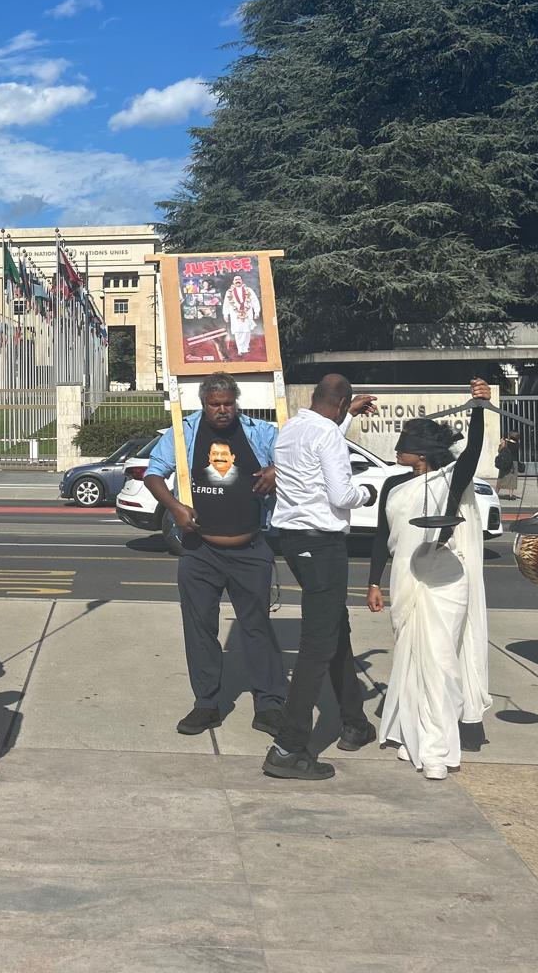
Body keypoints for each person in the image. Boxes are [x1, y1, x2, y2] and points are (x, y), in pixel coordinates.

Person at [143, 372, 288, 740]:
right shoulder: (184, 433)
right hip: (200, 551)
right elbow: (153, 474)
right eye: (215, 404)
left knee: (257, 628)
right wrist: (175, 507)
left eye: (228, 403)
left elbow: (300, 459)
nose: (222, 410)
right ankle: (206, 704)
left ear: (236, 402)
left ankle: (269, 706)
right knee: (200, 630)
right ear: (203, 404)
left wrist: (278, 469)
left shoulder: (261, 432)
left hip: (250, 549)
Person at [367, 380, 494, 780]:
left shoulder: (451, 480)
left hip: (444, 580)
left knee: (439, 662)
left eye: (403, 446)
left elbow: (472, 452)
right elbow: (380, 538)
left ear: (421, 454)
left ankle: (437, 749)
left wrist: (478, 408)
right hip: (406, 578)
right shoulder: (393, 484)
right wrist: (373, 582)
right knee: (410, 661)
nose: (396, 451)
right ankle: (414, 733)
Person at [263, 373, 380, 781]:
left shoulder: (292, 429)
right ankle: (288, 748)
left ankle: (354, 722)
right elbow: (342, 495)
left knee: (335, 629)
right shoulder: (327, 434)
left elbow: (320, 445)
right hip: (323, 544)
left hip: (293, 541)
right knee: (318, 644)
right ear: (343, 402)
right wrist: (368, 494)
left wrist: (347, 417)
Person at [221, 274, 260, 357]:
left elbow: (254, 301)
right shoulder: (229, 292)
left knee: (247, 331)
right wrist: (225, 314)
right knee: (238, 331)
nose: (237, 281)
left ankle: (246, 347)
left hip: (247, 313)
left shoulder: (249, 290)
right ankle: (240, 349)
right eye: (236, 280)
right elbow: (226, 304)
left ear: (242, 281)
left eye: (239, 279)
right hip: (235, 315)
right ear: (233, 282)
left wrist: (256, 312)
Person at [495, 432, 522, 499]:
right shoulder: (517, 444)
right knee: (512, 480)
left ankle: (496, 493)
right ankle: (510, 495)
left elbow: (500, 450)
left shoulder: (506, 443)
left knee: (501, 478)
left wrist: (502, 442)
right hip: (514, 463)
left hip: (506, 462)